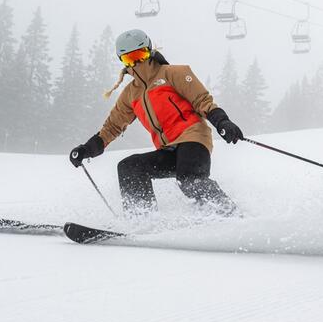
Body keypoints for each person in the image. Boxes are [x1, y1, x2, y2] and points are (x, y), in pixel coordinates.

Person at [69, 29, 244, 216]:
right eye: (129, 59)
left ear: (149, 51)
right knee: (129, 167)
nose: (136, 62)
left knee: (189, 179)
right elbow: (112, 127)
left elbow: (202, 100)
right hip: (168, 149)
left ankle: (230, 215)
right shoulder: (130, 94)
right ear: (122, 61)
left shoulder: (173, 73)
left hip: (193, 139)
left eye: (139, 54)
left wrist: (222, 122)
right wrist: (87, 149)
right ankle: (143, 221)